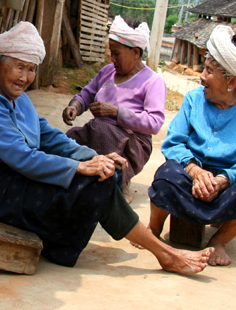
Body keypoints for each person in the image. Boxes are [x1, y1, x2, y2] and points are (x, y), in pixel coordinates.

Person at [0, 21, 212, 274]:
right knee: (94, 183)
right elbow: (23, 158)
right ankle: (164, 254)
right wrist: (80, 166)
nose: (26, 77)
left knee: (103, 175)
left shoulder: (18, 100)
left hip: (12, 176)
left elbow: (49, 137)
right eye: (19, 67)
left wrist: (95, 157)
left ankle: (162, 253)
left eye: (31, 69)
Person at [148, 25, 236, 266]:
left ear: (231, 82)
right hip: (190, 176)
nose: (201, 76)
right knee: (166, 174)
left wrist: (223, 179)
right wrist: (195, 171)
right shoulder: (194, 99)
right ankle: (153, 228)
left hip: (228, 185)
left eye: (209, 71)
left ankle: (220, 241)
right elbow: (174, 144)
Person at [62, 16, 166, 204]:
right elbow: (86, 94)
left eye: (117, 53)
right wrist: (74, 106)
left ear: (135, 52)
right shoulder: (107, 71)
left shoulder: (153, 81)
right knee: (67, 139)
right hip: (98, 131)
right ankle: (82, 177)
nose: (112, 59)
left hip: (133, 143)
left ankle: (120, 183)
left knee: (101, 130)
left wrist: (116, 112)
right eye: (111, 53)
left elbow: (154, 123)